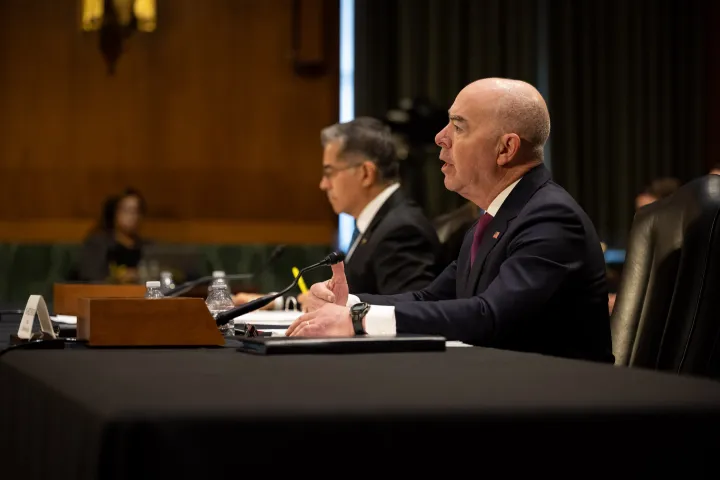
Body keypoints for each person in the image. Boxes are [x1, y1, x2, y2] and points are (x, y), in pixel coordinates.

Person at [286, 78, 614, 363]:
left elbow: (491, 315)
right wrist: (348, 303)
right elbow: (430, 298)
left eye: (458, 127)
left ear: (506, 148)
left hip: (556, 407)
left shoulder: (550, 217)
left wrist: (358, 320)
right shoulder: (495, 217)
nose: (440, 138)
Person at [233, 117, 442, 307]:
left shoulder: (402, 229)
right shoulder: (377, 223)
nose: (323, 185)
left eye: (329, 173)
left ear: (365, 174)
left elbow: (410, 309)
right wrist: (277, 302)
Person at [78, 188, 149, 283]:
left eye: (136, 211)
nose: (132, 216)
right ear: (114, 213)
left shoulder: (146, 247)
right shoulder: (97, 244)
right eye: (126, 210)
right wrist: (117, 278)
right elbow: (91, 278)